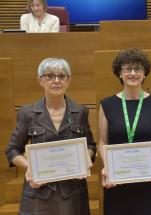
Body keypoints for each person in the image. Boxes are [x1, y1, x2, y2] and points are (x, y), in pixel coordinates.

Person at [5, 58, 96, 215]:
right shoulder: (28, 113)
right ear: (40, 80)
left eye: (62, 76)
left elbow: (91, 146)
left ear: (69, 80)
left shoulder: (80, 112)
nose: (56, 81)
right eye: (50, 76)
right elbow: (12, 151)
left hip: (72, 193)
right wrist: (31, 168)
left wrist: (87, 157)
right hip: (39, 192)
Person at [98, 48, 151, 215]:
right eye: (127, 69)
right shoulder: (107, 105)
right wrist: (108, 165)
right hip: (118, 179)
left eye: (138, 69)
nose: (133, 73)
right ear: (119, 74)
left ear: (145, 74)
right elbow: (102, 142)